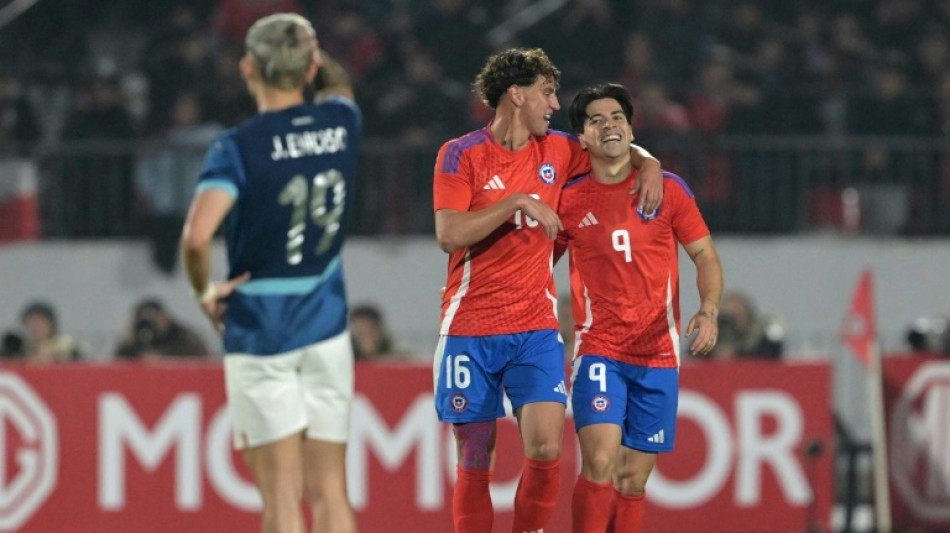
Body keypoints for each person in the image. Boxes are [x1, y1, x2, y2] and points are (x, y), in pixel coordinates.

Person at [431, 47, 663, 533]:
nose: (555, 104)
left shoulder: (558, 149)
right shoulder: (460, 153)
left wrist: (651, 163)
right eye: (547, 92)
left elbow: (612, 145)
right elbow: (449, 233)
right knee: (475, 453)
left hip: (534, 327)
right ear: (517, 95)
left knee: (545, 448)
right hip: (468, 327)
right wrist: (517, 202)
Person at [180, 13, 360, 533]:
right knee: (330, 492)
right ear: (311, 64)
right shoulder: (343, 121)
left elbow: (196, 236)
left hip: (261, 328)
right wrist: (315, 54)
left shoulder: (237, 146)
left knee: (281, 497)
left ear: (247, 68)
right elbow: (340, 85)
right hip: (327, 323)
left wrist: (204, 290)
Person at [556, 83, 723, 532]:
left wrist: (709, 309)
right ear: (583, 139)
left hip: (657, 353)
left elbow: (704, 255)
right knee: (602, 461)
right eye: (596, 120)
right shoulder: (568, 200)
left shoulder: (668, 189)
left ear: (630, 128)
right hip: (599, 349)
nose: (609, 125)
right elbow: (535, 264)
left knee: (633, 480)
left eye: (617, 117)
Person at [114, 298, 211, 360]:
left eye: (153, 320)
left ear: (164, 319)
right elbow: (117, 365)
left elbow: (202, 364)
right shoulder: (133, 342)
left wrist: (165, 359)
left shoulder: (184, 338)